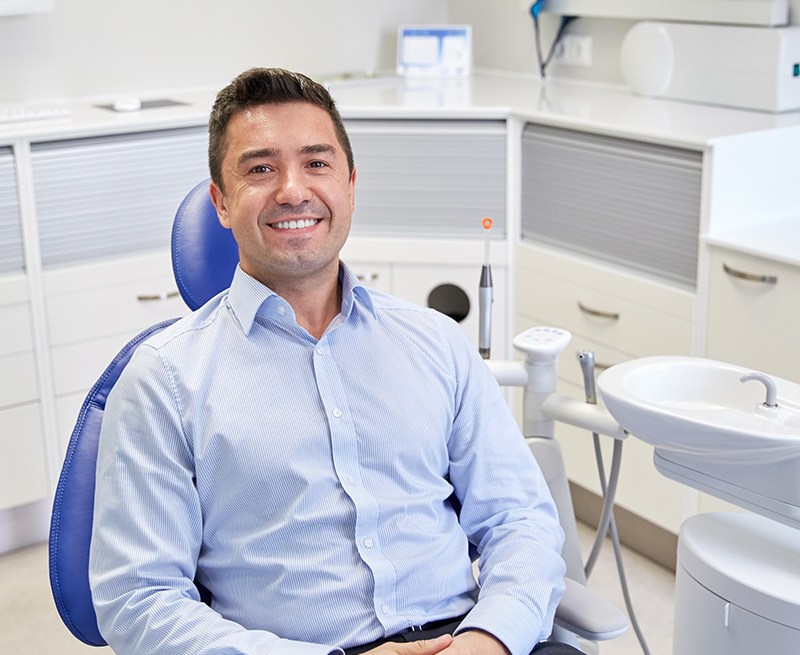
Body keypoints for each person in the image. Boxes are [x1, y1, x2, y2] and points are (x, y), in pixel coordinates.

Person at [89, 67, 581, 655]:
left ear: (350, 185)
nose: (293, 190)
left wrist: (492, 636)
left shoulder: (436, 343)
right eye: (260, 168)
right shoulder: (163, 379)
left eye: (316, 163)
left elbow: (519, 518)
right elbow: (139, 600)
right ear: (221, 202)